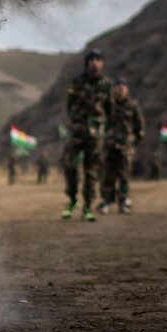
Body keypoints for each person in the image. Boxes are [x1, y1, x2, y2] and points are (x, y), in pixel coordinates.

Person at [60, 48, 112, 221]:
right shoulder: (78, 82)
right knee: (70, 165)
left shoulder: (106, 85)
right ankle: (73, 199)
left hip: (95, 135)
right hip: (77, 132)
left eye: (97, 59)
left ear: (101, 63)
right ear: (87, 63)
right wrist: (76, 121)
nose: (94, 62)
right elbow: (69, 105)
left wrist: (102, 127)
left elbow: (110, 110)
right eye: (91, 60)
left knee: (91, 171)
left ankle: (87, 206)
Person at [100, 78, 144, 215]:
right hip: (109, 145)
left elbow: (139, 127)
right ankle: (105, 201)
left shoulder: (132, 106)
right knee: (107, 175)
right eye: (117, 86)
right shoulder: (108, 104)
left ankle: (124, 202)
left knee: (124, 175)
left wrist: (132, 143)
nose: (120, 88)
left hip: (125, 147)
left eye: (123, 86)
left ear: (127, 89)